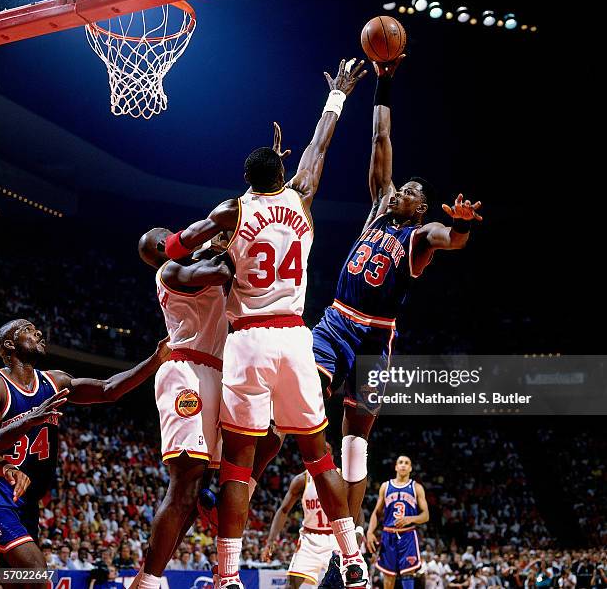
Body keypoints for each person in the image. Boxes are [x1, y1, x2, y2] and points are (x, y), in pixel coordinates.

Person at [162, 58, 369, 589]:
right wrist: (338, 95)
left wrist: (167, 248)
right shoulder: (301, 197)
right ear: (283, 171)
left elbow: (179, 245)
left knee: (238, 463)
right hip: (296, 335)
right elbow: (319, 148)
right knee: (318, 456)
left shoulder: (231, 211)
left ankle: (228, 575)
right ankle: (352, 559)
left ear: (246, 180)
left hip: (248, 340)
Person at [311, 56, 482, 528]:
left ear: (421, 206)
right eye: (397, 186)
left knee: (355, 447)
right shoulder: (376, 212)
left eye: (405, 190)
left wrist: (460, 227)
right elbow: (379, 138)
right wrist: (384, 82)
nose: (397, 189)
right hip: (336, 321)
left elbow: (452, 241)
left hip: (373, 340)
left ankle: (344, 545)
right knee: (307, 393)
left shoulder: (421, 234)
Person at [0, 318, 170, 571]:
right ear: (10, 345)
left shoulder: (55, 382)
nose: (39, 333)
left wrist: (156, 359)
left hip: (28, 501)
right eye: (28, 330)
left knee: (18, 581)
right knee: (36, 572)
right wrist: (29, 421)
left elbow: (108, 389)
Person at [132, 231, 232, 586]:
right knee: (184, 484)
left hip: (217, 370)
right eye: (168, 237)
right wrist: (228, 244)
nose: (176, 236)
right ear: (162, 249)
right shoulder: (171, 271)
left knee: (199, 491)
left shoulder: (190, 262)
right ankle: (148, 581)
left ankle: (157, 574)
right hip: (187, 371)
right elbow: (220, 272)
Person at [261, 444, 340, 588]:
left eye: (327, 452)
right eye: (319, 451)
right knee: (291, 585)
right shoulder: (302, 480)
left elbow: (358, 510)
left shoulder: (342, 477)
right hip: (309, 539)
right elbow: (283, 510)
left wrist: (358, 533)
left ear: (332, 457)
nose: (322, 455)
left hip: (336, 538)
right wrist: (271, 540)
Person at [366, 455, 429, 589]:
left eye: (407, 463)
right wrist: (370, 532)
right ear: (396, 467)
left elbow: (426, 515)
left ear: (410, 468)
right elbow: (377, 512)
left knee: (408, 574)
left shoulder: (416, 487)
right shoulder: (385, 486)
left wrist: (410, 519)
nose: (403, 465)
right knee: (389, 578)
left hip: (408, 535)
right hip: (388, 535)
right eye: (400, 462)